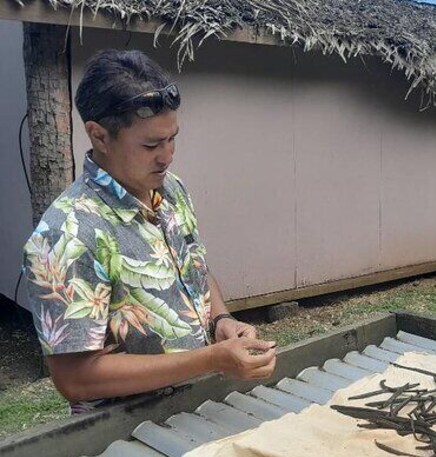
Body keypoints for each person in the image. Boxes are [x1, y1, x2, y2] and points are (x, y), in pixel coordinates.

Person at [22, 50, 277, 414]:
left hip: (192, 406)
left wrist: (222, 320)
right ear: (99, 136)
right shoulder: (67, 235)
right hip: (121, 433)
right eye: (151, 145)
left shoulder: (170, 190)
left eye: (172, 138)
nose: (167, 155)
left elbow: (193, 267)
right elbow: (75, 379)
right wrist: (210, 360)